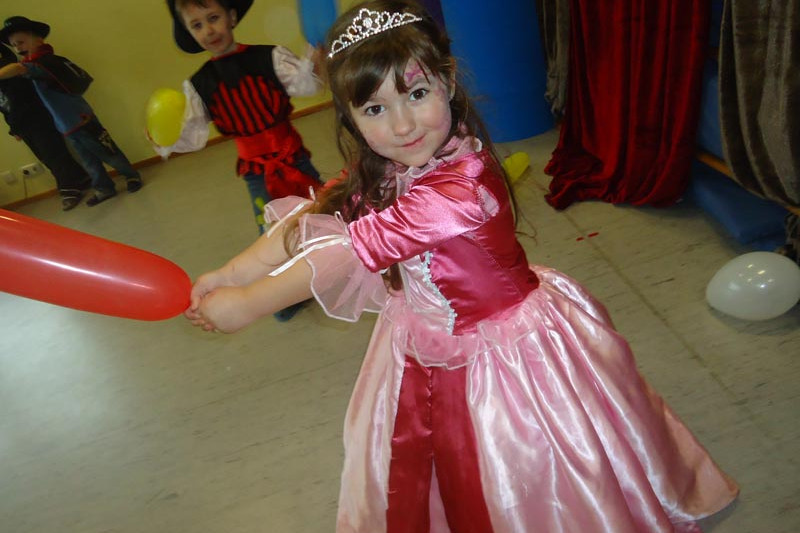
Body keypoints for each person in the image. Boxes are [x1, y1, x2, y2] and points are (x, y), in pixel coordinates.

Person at [185, 2, 739, 531]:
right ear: (350, 118)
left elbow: (348, 250)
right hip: (427, 335)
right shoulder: (386, 168)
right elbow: (318, 216)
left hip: (508, 353)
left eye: (416, 93)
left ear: (447, 82)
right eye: (374, 109)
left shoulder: (460, 185)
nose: (403, 125)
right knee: (437, 451)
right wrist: (231, 274)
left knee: (521, 462)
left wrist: (248, 304)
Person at [162, 0, 325, 322]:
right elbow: (193, 136)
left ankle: (337, 267)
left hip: (293, 158)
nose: (209, 30)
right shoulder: (198, 84)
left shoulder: (269, 57)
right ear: (190, 33)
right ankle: (286, 294)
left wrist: (315, 58)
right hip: (256, 173)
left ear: (232, 17)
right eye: (197, 25)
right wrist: (164, 138)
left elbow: (307, 85)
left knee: (321, 211)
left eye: (213, 18)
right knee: (272, 233)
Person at [0, 43, 90, 210]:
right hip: (21, 125)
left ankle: (69, 189)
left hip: (38, 118)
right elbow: (5, 108)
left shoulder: (8, 67)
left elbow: (17, 71)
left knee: (53, 153)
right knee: (46, 156)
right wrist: (14, 129)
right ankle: (81, 178)